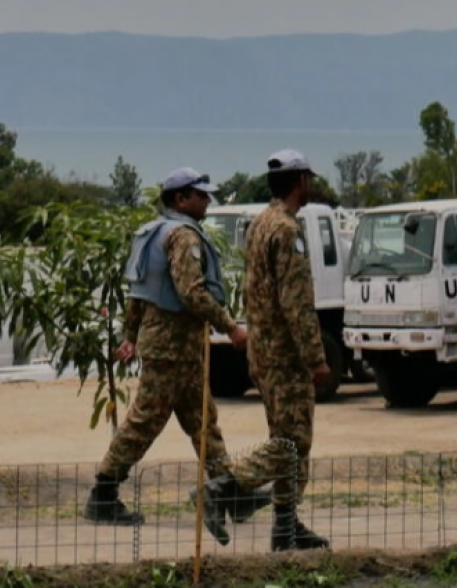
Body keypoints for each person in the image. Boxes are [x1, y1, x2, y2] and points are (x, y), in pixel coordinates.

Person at [83, 167, 270, 541]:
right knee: (145, 421)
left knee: (204, 421)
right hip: (173, 348)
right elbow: (192, 293)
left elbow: (139, 292)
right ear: (180, 199)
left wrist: (131, 334)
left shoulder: (153, 232)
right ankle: (102, 494)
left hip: (175, 347)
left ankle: (230, 493)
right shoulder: (183, 237)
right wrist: (229, 326)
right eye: (201, 195)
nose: (207, 200)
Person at [203, 149, 332, 551]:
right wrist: (316, 358)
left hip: (262, 350)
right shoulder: (287, 231)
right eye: (307, 179)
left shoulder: (259, 224)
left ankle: (285, 525)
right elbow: (295, 304)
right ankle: (225, 487)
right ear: (300, 182)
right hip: (285, 356)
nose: (310, 185)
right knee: (292, 444)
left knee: (286, 438)